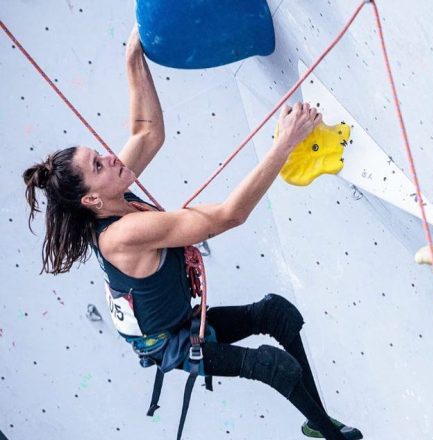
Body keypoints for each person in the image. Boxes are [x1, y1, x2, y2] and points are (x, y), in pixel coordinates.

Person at [22, 27, 362, 440]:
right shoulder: (123, 235)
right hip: (174, 342)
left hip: (182, 317)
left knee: (276, 313)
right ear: (92, 200)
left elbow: (148, 133)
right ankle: (332, 436)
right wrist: (284, 146)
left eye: (99, 154)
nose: (110, 158)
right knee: (273, 365)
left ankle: (318, 421)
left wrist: (133, 59)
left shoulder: (112, 192)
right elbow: (230, 215)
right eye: (98, 166)